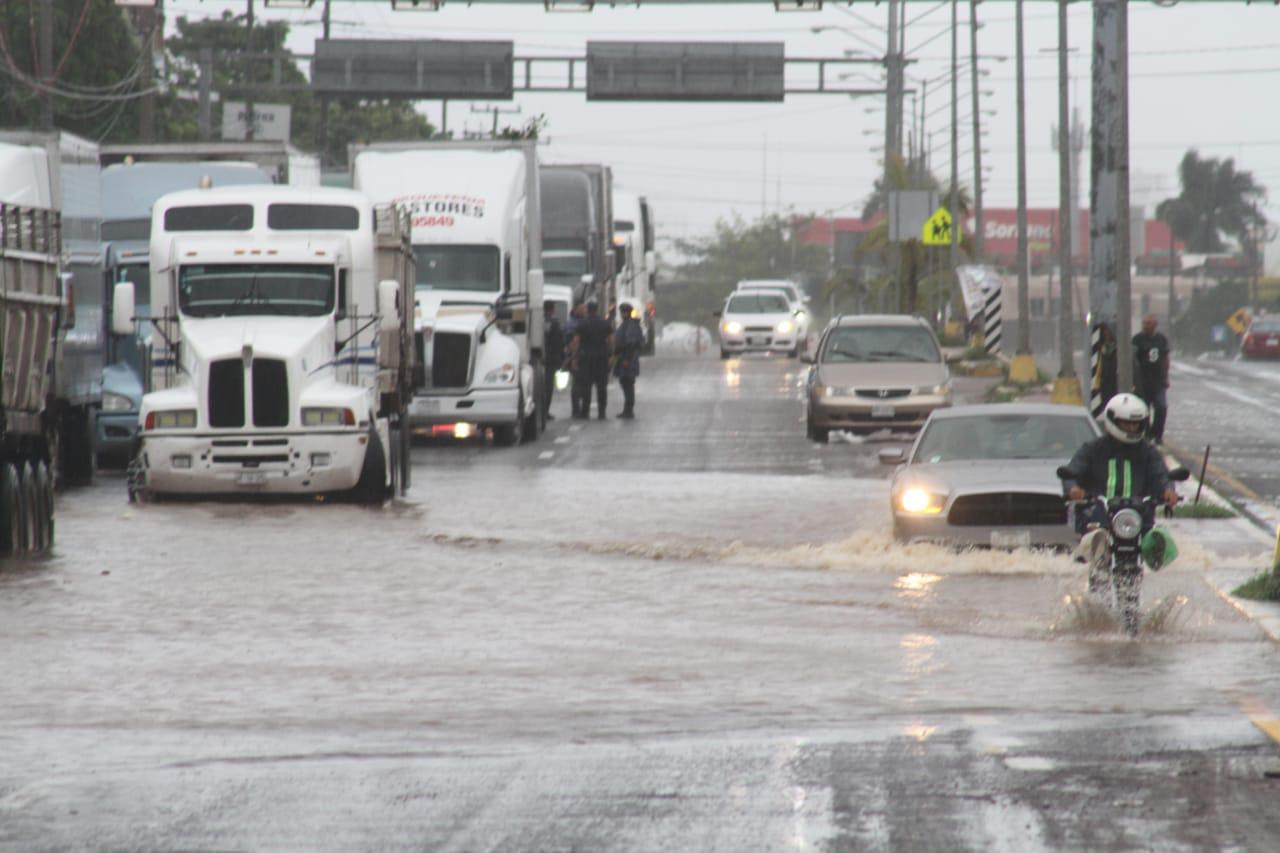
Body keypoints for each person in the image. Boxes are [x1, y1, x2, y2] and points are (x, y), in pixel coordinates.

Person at [1058, 393, 1178, 592]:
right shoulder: (1093, 449)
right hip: (1099, 515)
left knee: (1159, 539)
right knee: (1097, 539)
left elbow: (1161, 475)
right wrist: (1073, 489)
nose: (1132, 428)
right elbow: (1073, 471)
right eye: (1126, 424)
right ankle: (1095, 596)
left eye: (1136, 424)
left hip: (1137, 517)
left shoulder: (1148, 452)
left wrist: (1168, 491)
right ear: (1113, 421)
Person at [567, 301, 613, 419]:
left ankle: (585, 411)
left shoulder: (582, 324)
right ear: (597, 310)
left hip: (586, 358)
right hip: (601, 358)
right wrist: (610, 355)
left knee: (586, 386)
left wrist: (574, 357)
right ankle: (601, 412)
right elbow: (611, 340)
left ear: (588, 310)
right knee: (602, 387)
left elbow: (576, 341)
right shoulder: (605, 323)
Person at [1132, 314, 1170, 443]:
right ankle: (1146, 434)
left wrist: (1165, 377)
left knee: (1161, 407)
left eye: (1148, 323)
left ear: (1155, 325)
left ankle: (1157, 434)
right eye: (1144, 323)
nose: (1145, 326)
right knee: (1144, 409)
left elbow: (1165, 358)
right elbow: (1133, 359)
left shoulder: (1161, 340)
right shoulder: (1137, 340)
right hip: (1142, 381)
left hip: (1158, 381)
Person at [613, 302, 645, 419]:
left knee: (628, 384)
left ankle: (628, 410)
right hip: (625, 358)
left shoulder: (631, 325)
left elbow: (631, 344)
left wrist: (626, 359)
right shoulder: (628, 324)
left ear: (625, 312)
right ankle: (627, 409)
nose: (621, 314)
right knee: (626, 384)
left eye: (622, 312)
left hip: (628, 359)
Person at [542, 301, 565, 420]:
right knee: (548, 387)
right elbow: (559, 342)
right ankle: (545, 412)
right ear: (552, 309)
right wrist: (561, 358)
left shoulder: (539, 320)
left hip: (539, 358)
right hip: (550, 359)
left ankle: (542, 412)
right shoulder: (554, 322)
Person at [565, 303, 587, 417]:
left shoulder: (583, 321)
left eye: (585, 308)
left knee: (583, 384)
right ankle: (576, 409)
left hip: (584, 356)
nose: (584, 310)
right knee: (577, 384)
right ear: (576, 309)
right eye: (582, 308)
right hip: (576, 356)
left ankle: (582, 409)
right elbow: (571, 342)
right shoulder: (572, 323)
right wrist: (573, 357)